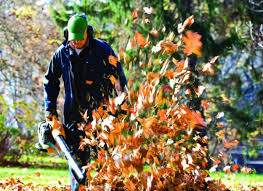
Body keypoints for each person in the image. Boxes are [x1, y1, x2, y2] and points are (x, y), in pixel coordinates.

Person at [43, 14, 127, 190]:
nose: (75, 43)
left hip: (101, 117)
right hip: (74, 117)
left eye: (79, 39)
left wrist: (122, 103)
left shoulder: (102, 50)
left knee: (100, 163)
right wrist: (50, 111)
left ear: (87, 34)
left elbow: (118, 78)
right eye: (72, 39)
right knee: (76, 165)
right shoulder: (62, 53)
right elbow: (50, 81)